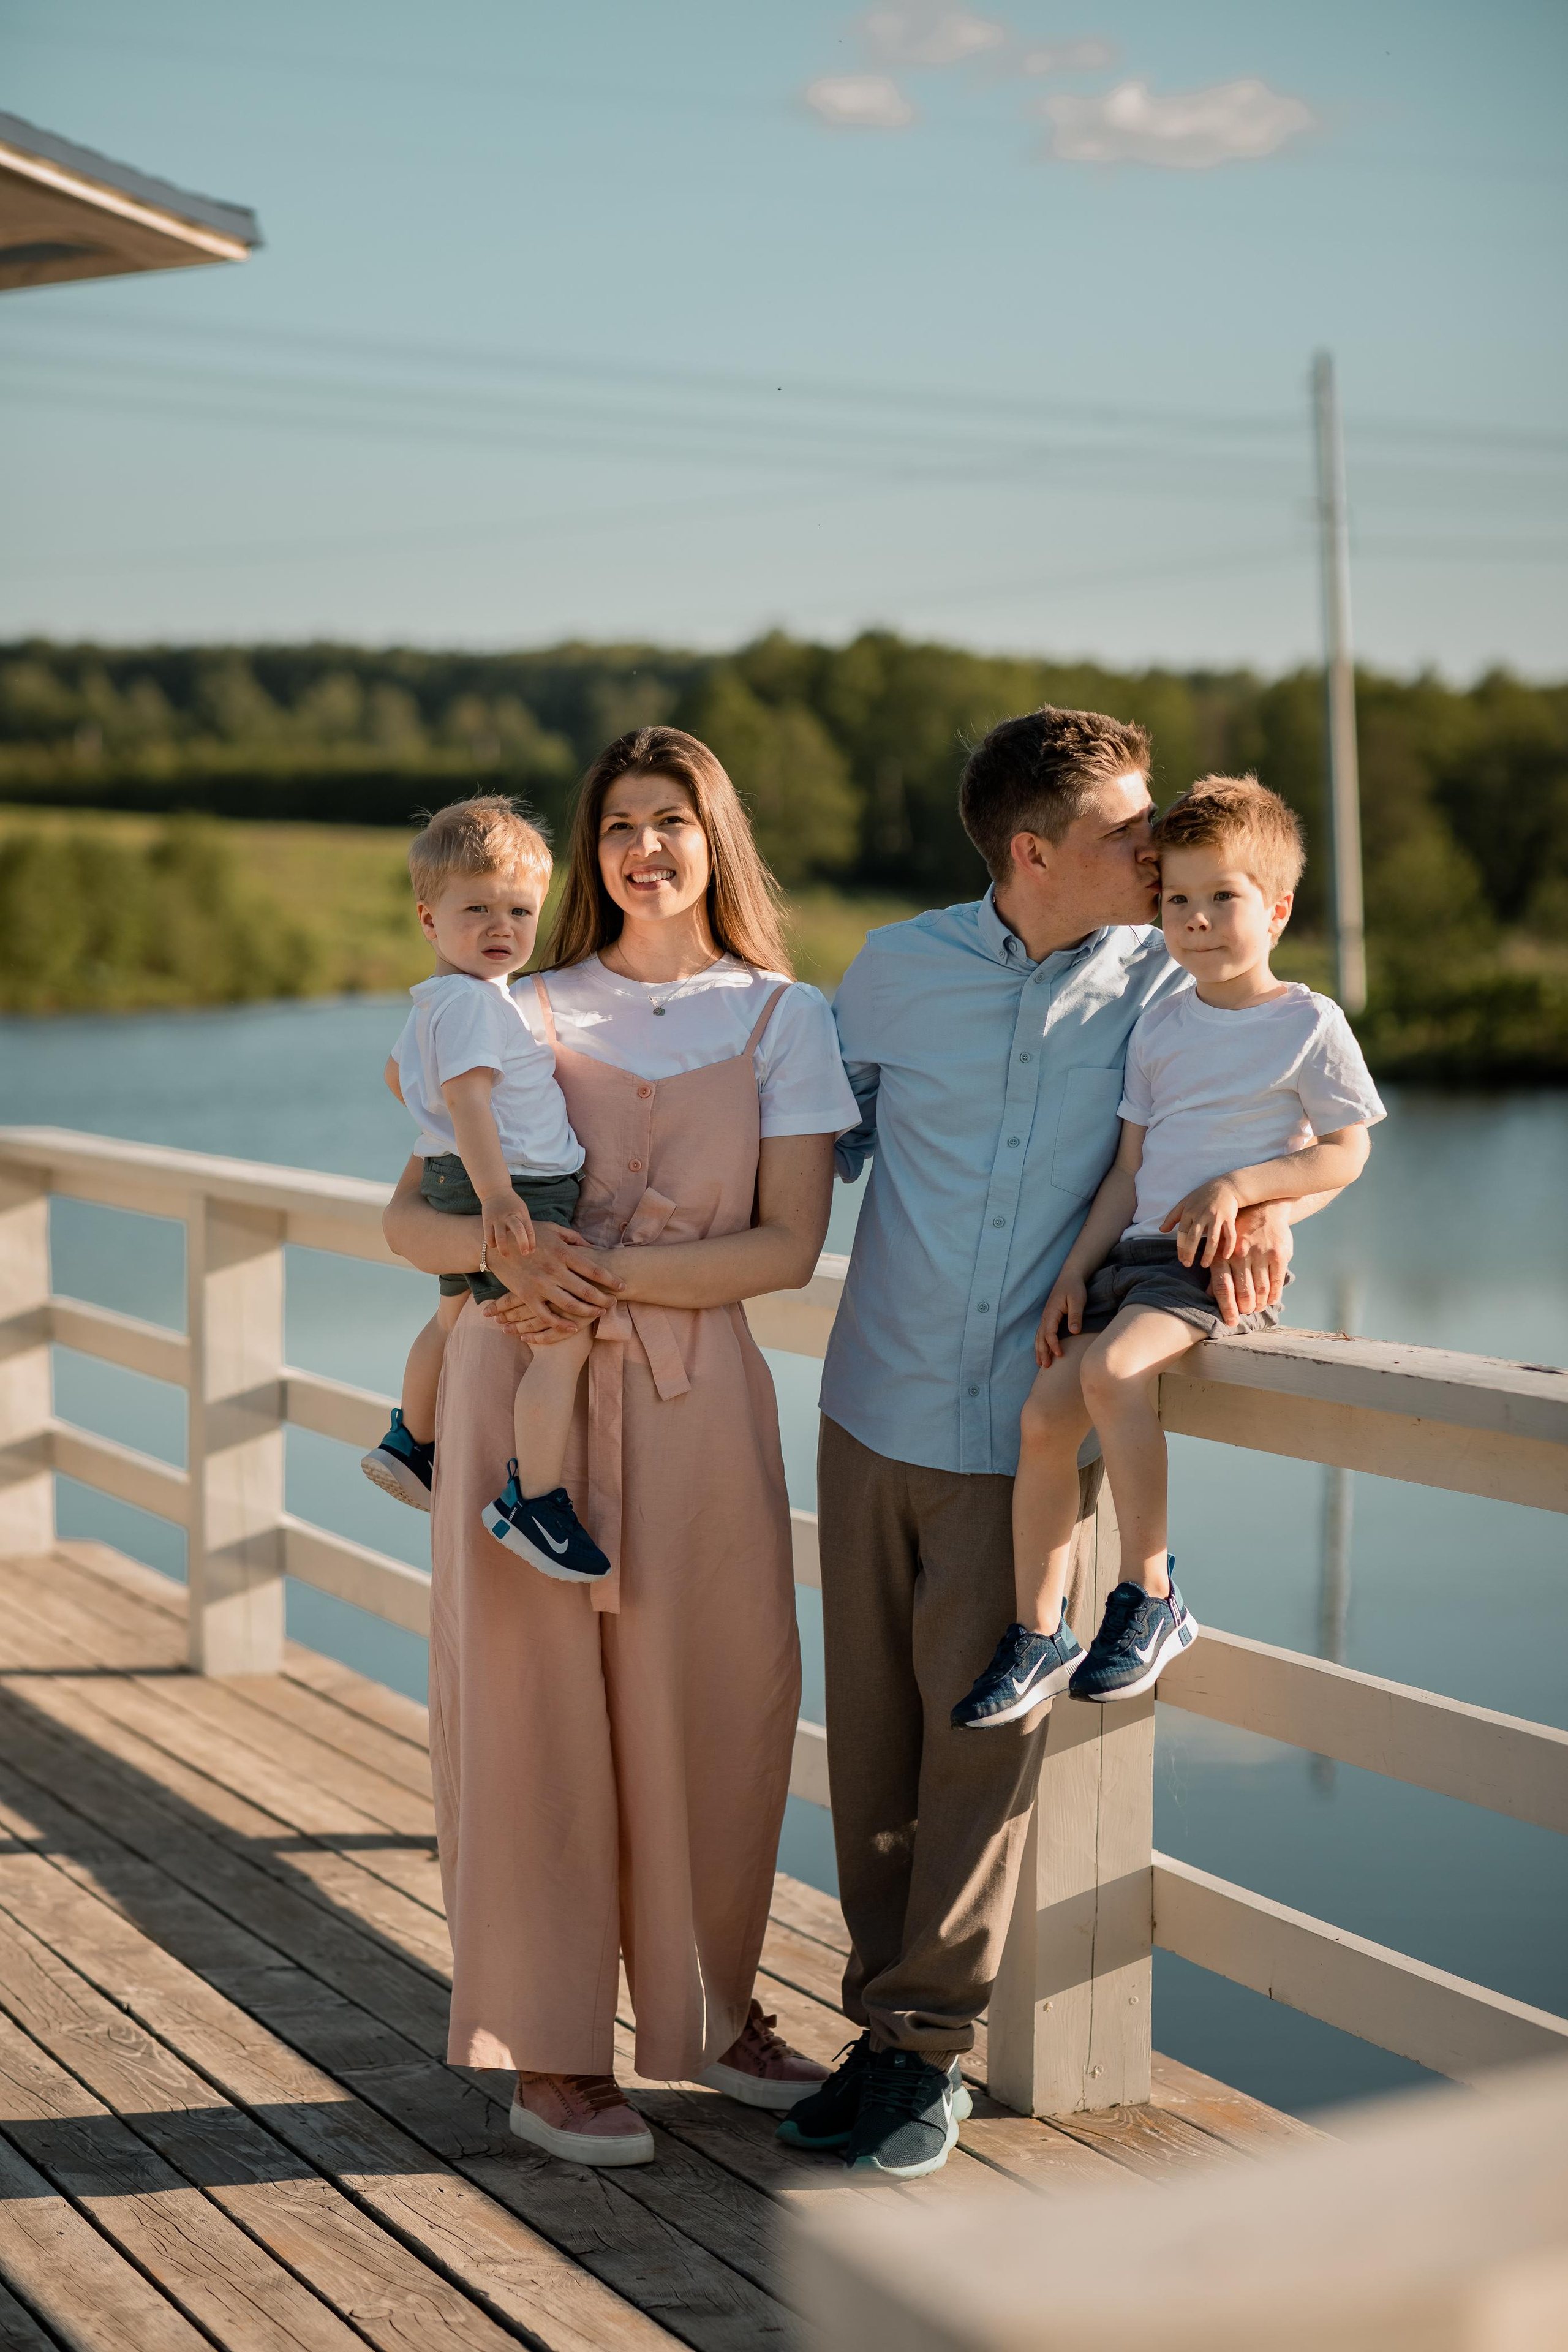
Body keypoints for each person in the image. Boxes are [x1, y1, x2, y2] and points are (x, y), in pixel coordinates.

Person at [783, 706, 1348, 2182]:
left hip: (1022, 1427)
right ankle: (872, 2025)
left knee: (981, 1742)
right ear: (1032, 852)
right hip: (870, 1402)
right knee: (872, 1749)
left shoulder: (1178, 974)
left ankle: (923, 2050)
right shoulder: (892, 970)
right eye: (1126, 829)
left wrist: (1268, 1206)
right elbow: (812, 1145)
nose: (1159, 849)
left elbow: (1293, 1107)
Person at [382, 726, 859, 2167]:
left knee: (716, 1699)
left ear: (717, 838)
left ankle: (709, 2012)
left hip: (693, 1398)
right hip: (515, 1384)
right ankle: (551, 2050)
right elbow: (406, 1222)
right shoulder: (508, 1001)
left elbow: (783, 1247)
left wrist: (605, 1277)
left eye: (672, 820)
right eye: (618, 826)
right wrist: (515, 1261)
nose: (644, 848)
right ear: (590, 853)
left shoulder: (786, 1018)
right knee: (526, 1712)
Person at [953, 774, 1383, 1732]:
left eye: (1223, 897)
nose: (1195, 919)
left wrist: (1245, 1190)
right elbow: (1126, 1173)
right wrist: (1072, 1273)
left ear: (1277, 910)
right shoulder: (1161, 1023)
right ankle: (1039, 1632)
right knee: (1042, 1419)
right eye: (1178, 899)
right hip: (1130, 1259)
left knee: (1111, 1372)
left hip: (1208, 1265)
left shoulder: (1307, 1022)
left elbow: (1346, 1152)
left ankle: (1151, 1595)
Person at [361, 796, 608, 1581]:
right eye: (478, 910)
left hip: (456, 1180)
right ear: (429, 920)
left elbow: (399, 1077)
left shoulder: (437, 1000)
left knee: (448, 1316)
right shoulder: (474, 1003)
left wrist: (437, 1140)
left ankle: (412, 1444)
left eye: (519, 911)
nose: (502, 926)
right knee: (563, 1344)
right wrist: (499, 1197)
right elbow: (469, 1100)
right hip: (519, 1187)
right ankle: (533, 1500)